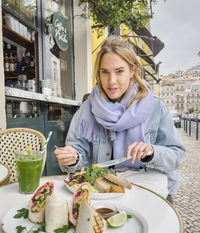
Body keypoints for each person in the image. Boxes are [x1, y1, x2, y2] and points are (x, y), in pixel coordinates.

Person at [54, 35, 186, 200]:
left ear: (132, 71)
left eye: (119, 71)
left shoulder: (155, 106)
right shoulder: (87, 109)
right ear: (98, 73)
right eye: (105, 72)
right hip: (104, 191)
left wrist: (152, 152)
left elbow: (176, 156)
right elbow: (77, 153)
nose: (112, 81)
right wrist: (72, 159)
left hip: (149, 189)